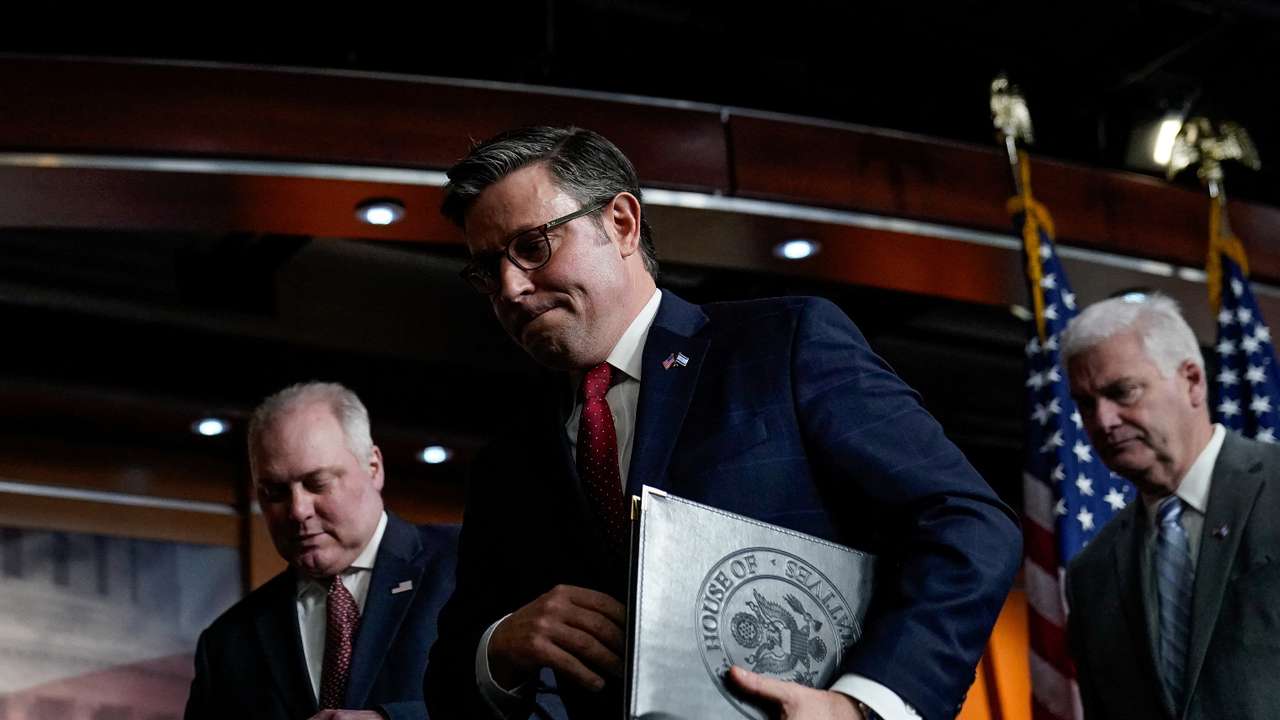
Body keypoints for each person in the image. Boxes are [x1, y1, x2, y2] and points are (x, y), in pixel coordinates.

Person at [423, 126, 1021, 720]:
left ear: (622, 224)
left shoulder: (782, 344)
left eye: (532, 245)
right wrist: (499, 648)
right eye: (486, 269)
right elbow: (448, 683)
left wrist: (861, 705)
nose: (510, 286)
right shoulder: (508, 461)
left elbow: (968, 526)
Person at [1063, 293, 1280, 719]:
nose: (1103, 420)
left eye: (1122, 392)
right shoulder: (1092, 574)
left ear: (1193, 381)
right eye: (1086, 404)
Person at [185, 382, 458, 720]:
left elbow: (535, 706)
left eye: (318, 484)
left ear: (373, 468)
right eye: (275, 492)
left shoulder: (465, 565)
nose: (298, 510)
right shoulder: (227, 644)